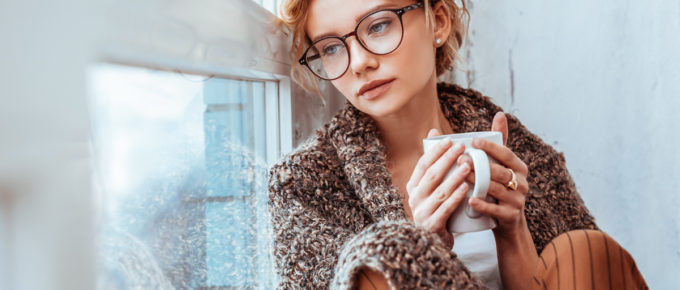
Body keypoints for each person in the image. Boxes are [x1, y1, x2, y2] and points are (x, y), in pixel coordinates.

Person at [268, 0, 648, 289]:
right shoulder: (302, 186)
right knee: (372, 265)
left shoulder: (526, 154)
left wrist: (513, 230)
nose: (359, 62)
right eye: (331, 48)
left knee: (583, 251)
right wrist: (418, 243)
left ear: (439, 21)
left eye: (379, 25)